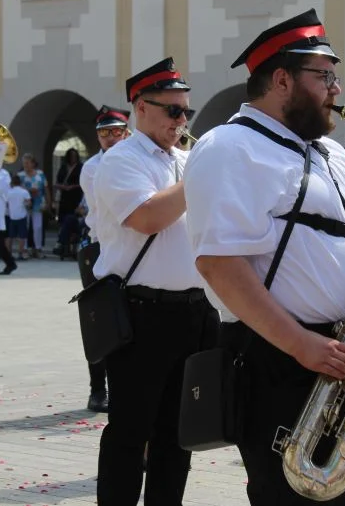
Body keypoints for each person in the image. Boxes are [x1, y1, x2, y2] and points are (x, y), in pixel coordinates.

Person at [184, 9, 345, 506]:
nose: (336, 89)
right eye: (324, 76)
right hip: (284, 359)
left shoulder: (332, 153)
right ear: (281, 79)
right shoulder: (229, 147)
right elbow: (219, 265)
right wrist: (301, 344)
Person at [91, 58, 218, 506]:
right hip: (140, 313)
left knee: (177, 436)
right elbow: (147, 217)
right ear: (140, 107)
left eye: (187, 112)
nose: (182, 122)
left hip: (194, 311)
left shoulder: (186, 160)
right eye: (173, 111)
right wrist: (202, 175)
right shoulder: (120, 160)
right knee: (131, 431)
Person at [77, 104, 131, 413]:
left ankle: (122, 385)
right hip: (99, 247)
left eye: (116, 132)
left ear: (126, 132)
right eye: (103, 133)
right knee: (100, 322)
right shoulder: (94, 167)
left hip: (127, 247)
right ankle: (98, 389)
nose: (109, 138)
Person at [18, 153, 51, 258]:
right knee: (25, 226)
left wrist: (49, 202)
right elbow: (16, 189)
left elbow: (46, 188)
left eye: (27, 163)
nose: (26, 165)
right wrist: (29, 190)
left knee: (38, 227)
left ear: (33, 163)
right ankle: (25, 248)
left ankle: (38, 248)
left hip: (38, 203)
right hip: (24, 204)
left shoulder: (40, 174)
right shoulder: (20, 175)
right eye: (24, 163)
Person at [53, 148, 84, 258]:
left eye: (74, 156)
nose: (72, 158)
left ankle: (66, 245)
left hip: (76, 196)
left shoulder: (80, 167)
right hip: (64, 197)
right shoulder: (63, 167)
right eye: (71, 156)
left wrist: (73, 187)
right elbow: (57, 182)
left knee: (72, 219)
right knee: (64, 220)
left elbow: (82, 183)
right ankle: (63, 246)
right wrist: (62, 187)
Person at [6, 174, 31, 260]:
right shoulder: (24, 192)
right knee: (22, 236)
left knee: (10, 236)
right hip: (22, 216)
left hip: (12, 216)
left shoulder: (9, 192)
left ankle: (8, 253)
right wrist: (24, 205)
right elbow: (29, 203)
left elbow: (6, 203)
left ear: (12, 183)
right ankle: (20, 253)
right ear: (20, 182)